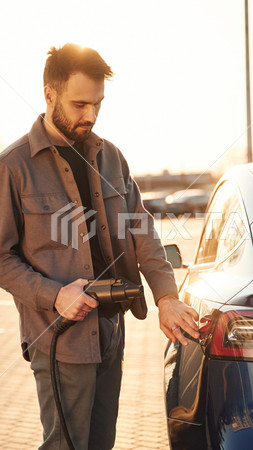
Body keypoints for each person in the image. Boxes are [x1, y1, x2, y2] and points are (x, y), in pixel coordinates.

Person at [0, 43, 199, 449]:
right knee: (65, 445)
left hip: (111, 331)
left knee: (101, 444)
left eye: (97, 104)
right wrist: (54, 295)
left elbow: (142, 232)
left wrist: (167, 297)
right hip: (59, 339)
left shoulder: (112, 159)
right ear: (49, 94)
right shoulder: (13, 166)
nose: (89, 115)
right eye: (79, 104)